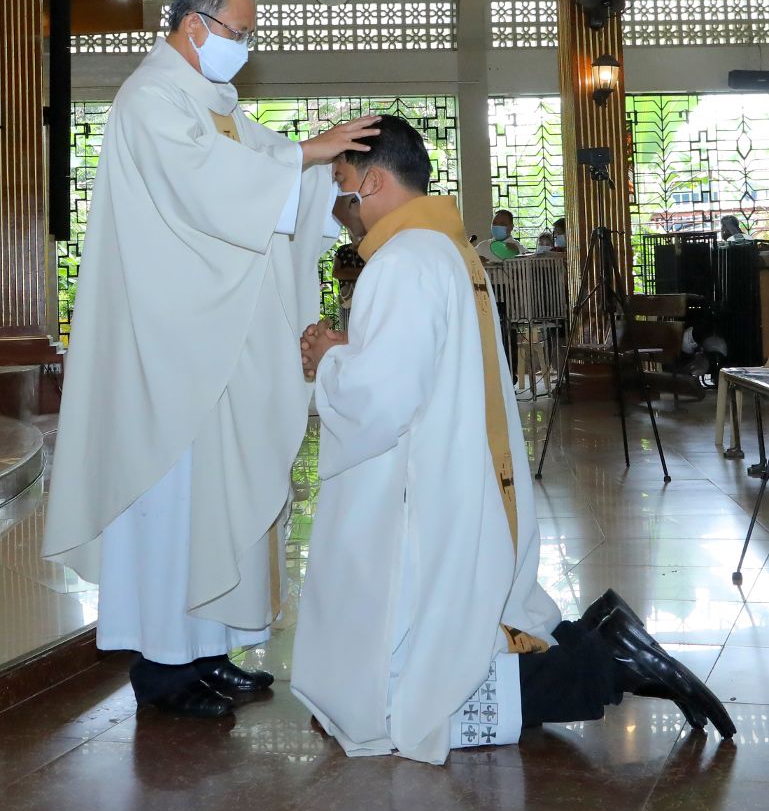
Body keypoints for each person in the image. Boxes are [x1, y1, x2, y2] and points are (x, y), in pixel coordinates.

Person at [291, 115, 735, 765]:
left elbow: (379, 402)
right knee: (428, 660)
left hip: (421, 498)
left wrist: (329, 357)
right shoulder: (440, 250)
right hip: (444, 479)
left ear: (374, 179)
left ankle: (603, 656)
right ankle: (598, 640)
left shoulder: (403, 261)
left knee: (417, 698)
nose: (339, 208)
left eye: (341, 183)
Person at [41, 0, 380, 718]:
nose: (245, 46)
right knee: (173, 502)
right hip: (168, 352)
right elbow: (210, 188)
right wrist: (306, 154)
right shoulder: (151, 99)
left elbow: (268, 178)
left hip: (219, 342)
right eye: (239, 31)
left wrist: (344, 176)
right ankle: (163, 669)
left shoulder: (214, 102)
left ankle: (207, 652)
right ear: (194, 26)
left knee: (219, 497)